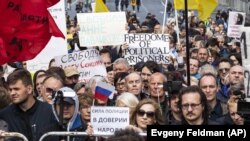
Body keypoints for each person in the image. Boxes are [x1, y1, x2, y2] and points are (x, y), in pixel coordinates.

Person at [0, 69, 60, 141]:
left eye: (16, 89)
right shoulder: (5, 115)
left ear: (29, 89)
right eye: (10, 89)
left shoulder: (50, 111)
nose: (12, 93)